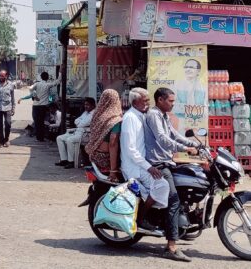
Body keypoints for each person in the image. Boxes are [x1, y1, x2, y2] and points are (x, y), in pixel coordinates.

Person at [144, 88, 201, 262]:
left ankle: (180, 225)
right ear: (160, 100)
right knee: (174, 199)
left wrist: (195, 144)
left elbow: (173, 134)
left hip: (167, 161)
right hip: (158, 163)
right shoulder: (154, 115)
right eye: (170, 101)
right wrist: (185, 149)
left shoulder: (164, 116)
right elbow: (162, 139)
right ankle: (171, 247)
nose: (173, 104)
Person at [121, 87, 170, 234]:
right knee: (162, 185)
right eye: (145, 101)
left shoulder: (141, 115)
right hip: (135, 167)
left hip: (141, 164)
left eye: (148, 100)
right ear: (135, 102)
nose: (148, 103)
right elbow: (131, 149)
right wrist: (148, 167)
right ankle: (140, 219)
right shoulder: (130, 118)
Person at [85, 89, 124, 181]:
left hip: (94, 155)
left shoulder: (97, 116)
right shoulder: (114, 120)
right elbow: (113, 144)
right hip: (106, 159)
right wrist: (113, 171)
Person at [18, 71, 60, 142]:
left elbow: (30, 89)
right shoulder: (48, 85)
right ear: (47, 78)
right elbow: (57, 82)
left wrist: (34, 96)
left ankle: (38, 138)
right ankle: (41, 138)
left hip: (35, 106)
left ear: (41, 77)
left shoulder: (37, 84)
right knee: (42, 122)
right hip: (43, 107)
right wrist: (60, 73)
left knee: (37, 122)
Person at [56, 97, 95, 168]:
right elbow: (76, 121)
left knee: (70, 140)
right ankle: (64, 159)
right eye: (85, 104)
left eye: (87, 105)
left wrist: (80, 122)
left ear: (92, 105)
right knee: (59, 138)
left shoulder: (93, 114)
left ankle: (71, 161)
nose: (85, 106)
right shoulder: (85, 113)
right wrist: (80, 122)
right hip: (77, 132)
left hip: (85, 135)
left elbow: (82, 124)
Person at [0, 70, 17, 148]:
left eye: (2, 76)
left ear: (6, 76)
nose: (0, 77)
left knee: (8, 124)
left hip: (8, 108)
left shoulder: (11, 85)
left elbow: (13, 97)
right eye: (0, 76)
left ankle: (6, 139)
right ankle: (1, 142)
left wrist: (13, 108)